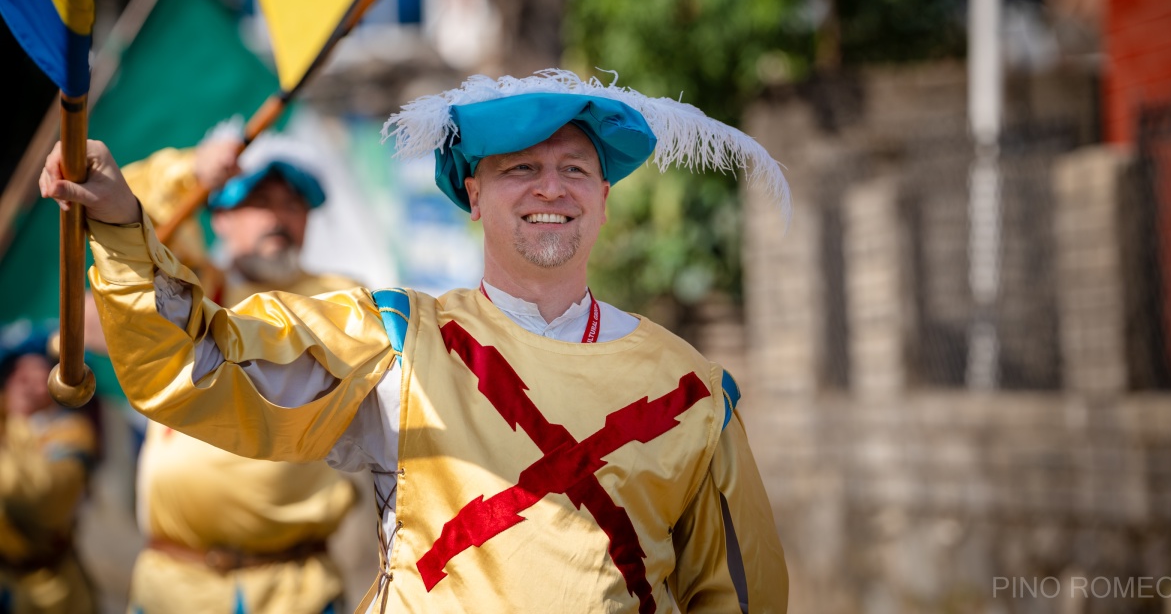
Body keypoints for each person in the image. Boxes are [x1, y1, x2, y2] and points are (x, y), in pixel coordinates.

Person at [41, 69, 792, 613]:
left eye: (574, 169)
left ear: (602, 195)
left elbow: (739, 598)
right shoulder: (394, 338)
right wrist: (118, 219)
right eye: (520, 169)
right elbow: (199, 363)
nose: (550, 189)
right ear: (473, 194)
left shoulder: (694, 393)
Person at [108, 138, 365, 614]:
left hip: (298, 591)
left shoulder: (341, 300)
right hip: (172, 587)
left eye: (294, 204)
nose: (278, 219)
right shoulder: (194, 286)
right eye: (259, 202)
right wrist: (192, 172)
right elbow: (124, 220)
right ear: (219, 218)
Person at [0, 327, 99, 614]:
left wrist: (16, 424)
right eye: (17, 373)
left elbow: (40, 499)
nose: (25, 382)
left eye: (37, 374)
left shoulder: (73, 433)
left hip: (53, 594)